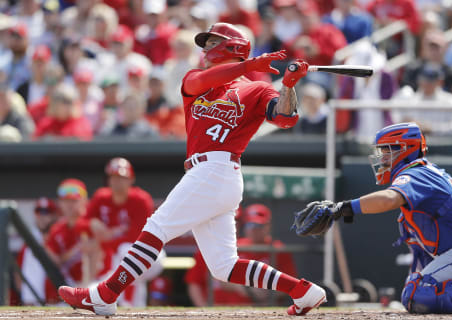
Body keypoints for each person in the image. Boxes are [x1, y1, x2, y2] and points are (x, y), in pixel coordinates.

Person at [58, 22, 326, 316]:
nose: (205, 49)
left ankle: (106, 293)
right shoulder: (196, 78)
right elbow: (199, 83)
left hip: (218, 169)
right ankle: (302, 290)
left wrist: (288, 85)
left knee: (156, 228)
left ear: (232, 47)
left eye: (212, 43)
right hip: (207, 174)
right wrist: (249, 65)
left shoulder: (257, 89)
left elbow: (285, 118)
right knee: (224, 266)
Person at [294, 122, 452, 313]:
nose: (382, 158)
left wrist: (342, 208)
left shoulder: (417, 171)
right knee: (415, 290)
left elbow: (389, 199)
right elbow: (421, 261)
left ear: (407, 149)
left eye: (387, 151)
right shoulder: (416, 195)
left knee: (417, 293)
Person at [82, 157, 164, 306]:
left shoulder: (141, 199)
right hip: (121, 259)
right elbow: (81, 223)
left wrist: (104, 241)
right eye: (113, 177)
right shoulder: (101, 197)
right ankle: (131, 307)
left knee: (125, 251)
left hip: (149, 255)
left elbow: (137, 239)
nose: (116, 181)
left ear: (131, 179)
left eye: (121, 177)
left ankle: (114, 298)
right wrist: (91, 224)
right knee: (126, 267)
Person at [185, 203, 298, 306]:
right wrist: (244, 288)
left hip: (262, 308)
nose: (253, 230)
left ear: (268, 226)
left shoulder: (278, 249)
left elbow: (289, 284)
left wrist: (268, 291)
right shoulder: (229, 246)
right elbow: (211, 281)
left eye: (258, 226)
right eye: (250, 225)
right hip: (223, 308)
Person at [16, 198, 59, 305]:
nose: (42, 216)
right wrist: (25, 295)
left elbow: (60, 263)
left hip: (57, 300)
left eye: (47, 212)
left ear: (54, 215)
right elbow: (18, 272)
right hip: (33, 301)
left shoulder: (59, 237)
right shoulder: (28, 242)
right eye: (39, 212)